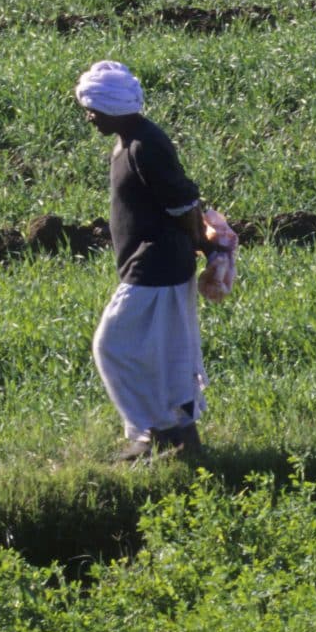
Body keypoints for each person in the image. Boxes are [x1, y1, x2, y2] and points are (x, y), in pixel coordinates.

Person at [75, 59, 216, 461]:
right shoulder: (132, 139)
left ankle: (154, 432)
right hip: (156, 264)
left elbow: (184, 202)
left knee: (113, 346)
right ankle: (178, 440)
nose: (89, 116)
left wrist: (206, 247)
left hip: (155, 265)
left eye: (93, 108)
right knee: (168, 354)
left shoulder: (144, 146)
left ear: (113, 107)